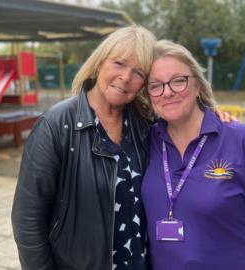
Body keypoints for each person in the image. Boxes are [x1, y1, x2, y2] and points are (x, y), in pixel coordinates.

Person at [12, 25, 156, 270]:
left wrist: (215, 117)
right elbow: (27, 220)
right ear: (100, 63)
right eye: (119, 63)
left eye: (139, 72)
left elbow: (184, 122)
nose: (126, 77)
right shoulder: (56, 125)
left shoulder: (144, 124)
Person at [141, 40, 245, 270]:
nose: (168, 92)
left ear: (198, 86)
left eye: (178, 81)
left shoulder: (241, 139)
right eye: (156, 85)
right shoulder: (143, 140)